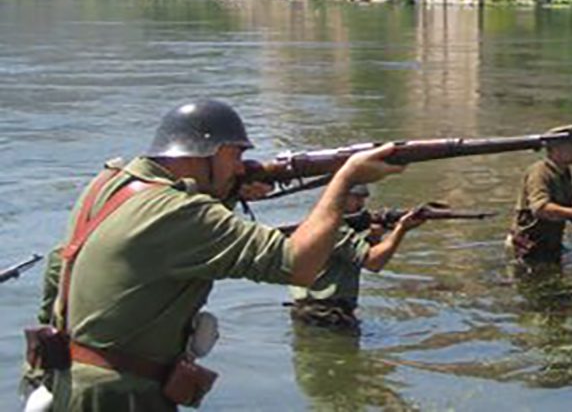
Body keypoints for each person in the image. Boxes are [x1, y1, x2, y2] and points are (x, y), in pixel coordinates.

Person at [27, 99, 403, 411]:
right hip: (121, 396)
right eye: (237, 155)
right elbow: (299, 264)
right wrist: (344, 179)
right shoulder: (179, 213)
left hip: (68, 380)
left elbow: (59, 265)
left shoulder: (109, 183)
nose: (241, 167)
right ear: (213, 151)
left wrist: (228, 194)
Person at [287, 184, 424, 330]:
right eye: (357, 198)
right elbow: (373, 263)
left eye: (363, 199)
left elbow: (350, 256)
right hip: (324, 314)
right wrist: (401, 230)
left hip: (312, 310)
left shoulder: (321, 221)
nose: (362, 204)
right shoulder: (333, 227)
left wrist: (375, 236)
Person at [508, 125, 572, 263]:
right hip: (529, 247)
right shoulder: (539, 172)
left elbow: (567, 201)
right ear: (557, 149)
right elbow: (540, 208)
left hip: (551, 243)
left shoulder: (563, 172)